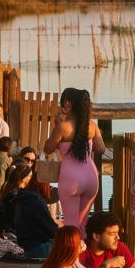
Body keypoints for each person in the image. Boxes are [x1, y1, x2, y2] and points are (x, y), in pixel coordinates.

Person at [45, 88, 105, 234]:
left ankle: (72, 257)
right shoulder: (91, 125)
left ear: (67, 103)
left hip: (71, 178)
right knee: (82, 224)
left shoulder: (63, 127)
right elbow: (101, 149)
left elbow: (48, 149)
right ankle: (83, 254)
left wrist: (56, 125)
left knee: (70, 225)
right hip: (91, 177)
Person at [0, 164, 59, 259]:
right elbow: (50, 229)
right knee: (72, 247)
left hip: (27, 246)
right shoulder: (35, 200)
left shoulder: (24, 197)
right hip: (37, 248)